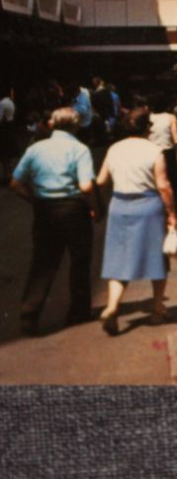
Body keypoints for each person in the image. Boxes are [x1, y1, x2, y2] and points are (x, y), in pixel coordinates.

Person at [10, 107, 96, 335]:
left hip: (45, 209)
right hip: (73, 209)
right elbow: (86, 186)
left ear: (52, 124)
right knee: (79, 261)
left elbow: (16, 183)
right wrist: (95, 207)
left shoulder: (35, 149)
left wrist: (35, 200)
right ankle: (78, 313)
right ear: (76, 126)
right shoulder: (80, 149)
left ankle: (29, 314)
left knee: (43, 263)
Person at [96, 107, 177, 335]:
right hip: (148, 207)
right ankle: (156, 309)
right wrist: (171, 214)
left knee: (118, 260)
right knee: (157, 259)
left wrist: (95, 206)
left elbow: (101, 180)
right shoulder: (154, 150)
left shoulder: (114, 149)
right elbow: (163, 185)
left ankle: (112, 307)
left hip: (119, 206)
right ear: (147, 128)